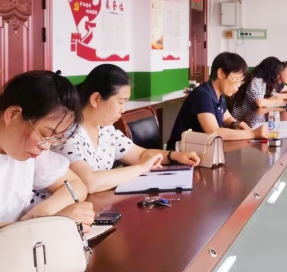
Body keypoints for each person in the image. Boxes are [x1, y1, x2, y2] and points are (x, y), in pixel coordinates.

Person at [0, 71, 95, 249]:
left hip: (16, 253)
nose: (46, 146)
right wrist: (42, 227)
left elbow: (76, 185)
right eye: (45, 134)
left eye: (55, 139)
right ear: (13, 114)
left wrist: (43, 212)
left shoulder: (21, 145)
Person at [55, 65, 200, 194]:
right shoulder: (67, 134)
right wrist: (141, 168)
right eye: (120, 102)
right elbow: (89, 182)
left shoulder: (106, 130)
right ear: (96, 99)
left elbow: (141, 154)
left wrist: (174, 156)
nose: (123, 110)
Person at [167, 52, 269, 148]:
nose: (238, 86)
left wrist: (236, 124)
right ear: (221, 73)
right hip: (181, 152)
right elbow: (214, 132)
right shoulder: (202, 95)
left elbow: (226, 118)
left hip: (201, 149)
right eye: (237, 80)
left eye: (240, 81)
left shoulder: (219, 95)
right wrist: (253, 133)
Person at [231, 56, 286, 122]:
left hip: (252, 118)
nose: (278, 77)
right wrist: (277, 100)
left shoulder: (264, 82)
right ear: (272, 72)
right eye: (277, 74)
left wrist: (272, 99)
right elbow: (260, 103)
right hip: (241, 120)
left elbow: (269, 97)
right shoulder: (256, 80)